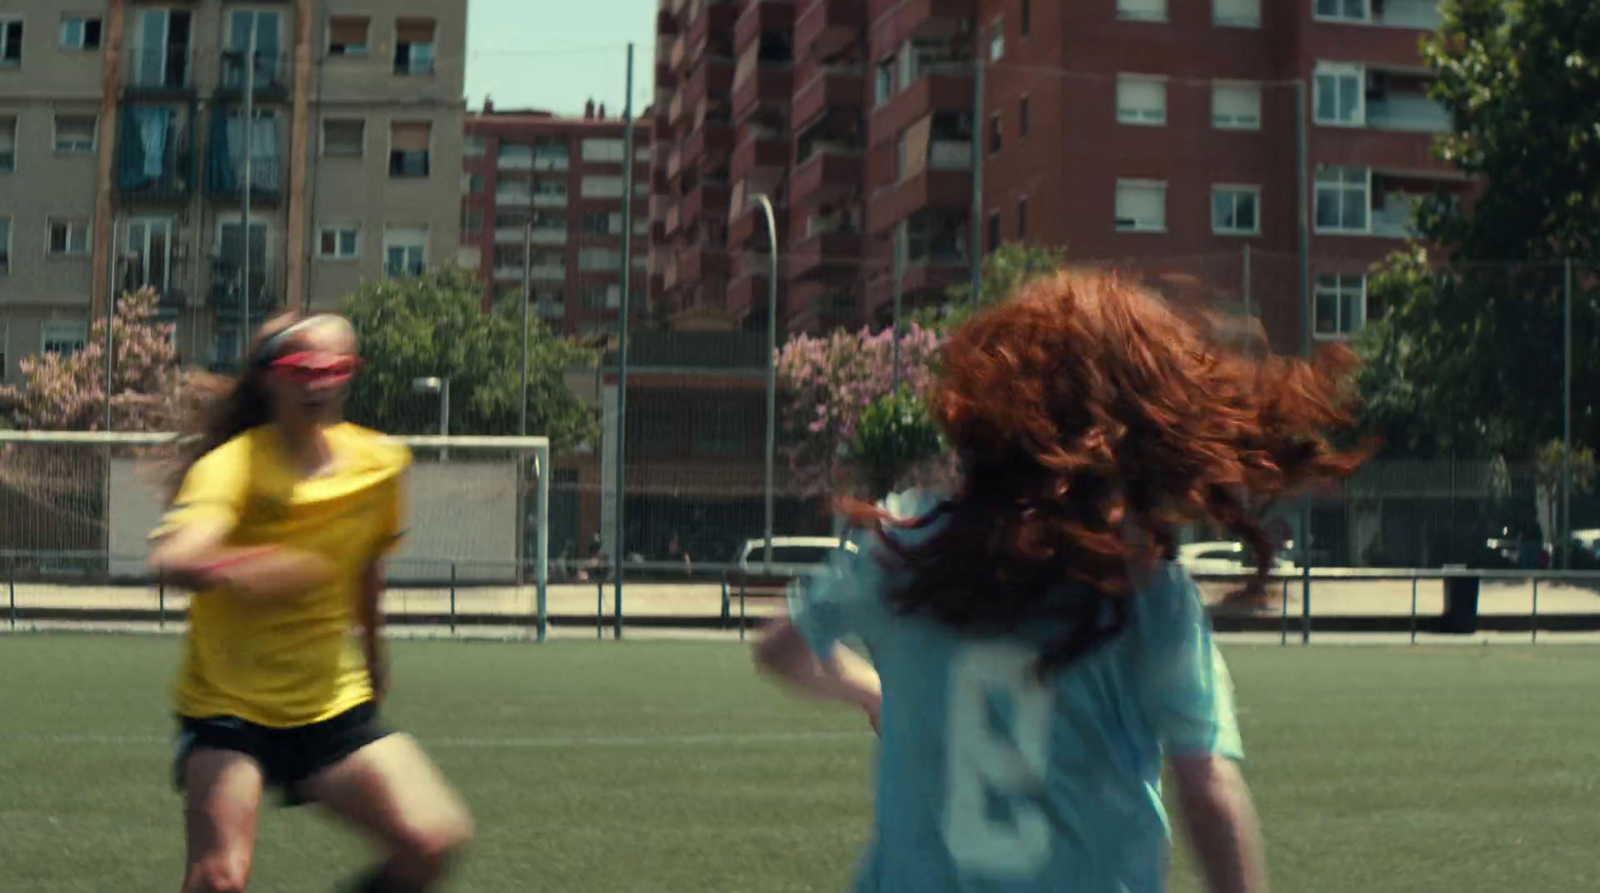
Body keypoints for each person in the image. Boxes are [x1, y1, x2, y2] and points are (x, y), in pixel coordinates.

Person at [754, 271, 1369, 893]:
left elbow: (782, 649)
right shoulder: (1143, 589)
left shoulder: (901, 547)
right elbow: (1206, 786)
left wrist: (873, 692)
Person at [148, 312, 473, 893]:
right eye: (301, 368)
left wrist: (376, 657)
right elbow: (174, 557)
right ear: (272, 377)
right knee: (218, 877)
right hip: (228, 707)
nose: (318, 382)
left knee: (435, 840)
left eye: (334, 369)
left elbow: (368, 567)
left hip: (329, 705)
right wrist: (250, 568)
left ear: (351, 375)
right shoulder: (233, 465)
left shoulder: (380, 463)